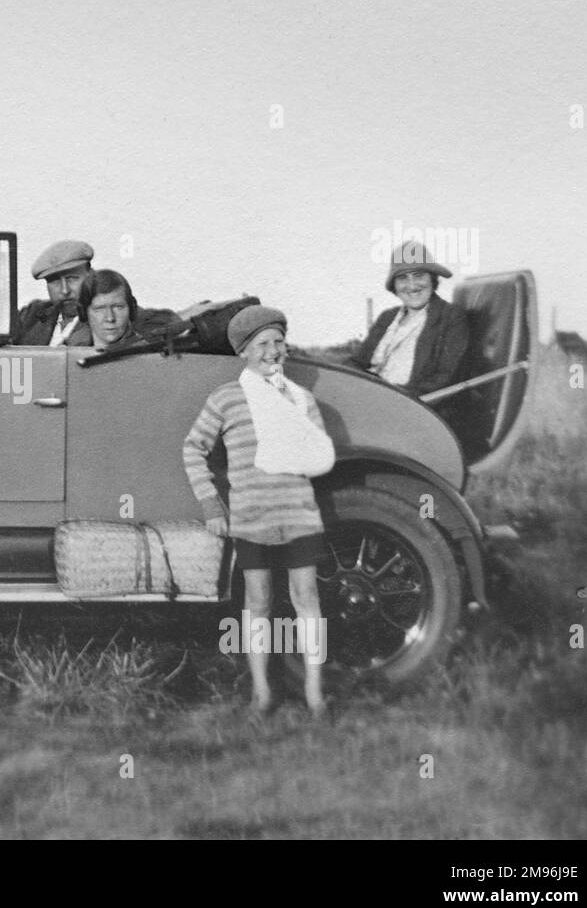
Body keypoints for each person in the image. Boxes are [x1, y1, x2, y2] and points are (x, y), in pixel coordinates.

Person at [183, 306, 334, 717]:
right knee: (258, 600)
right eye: (262, 344)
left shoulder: (300, 399)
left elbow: (320, 454)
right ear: (244, 352)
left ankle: (316, 693)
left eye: (278, 342)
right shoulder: (226, 398)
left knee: (307, 598)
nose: (272, 351)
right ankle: (263, 692)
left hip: (299, 514)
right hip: (251, 518)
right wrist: (212, 503)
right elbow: (193, 448)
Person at [350, 240, 469, 398]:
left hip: (412, 405)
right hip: (369, 396)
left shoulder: (451, 317)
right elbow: (357, 362)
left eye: (418, 275)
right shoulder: (387, 317)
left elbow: (446, 377)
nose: (411, 285)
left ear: (432, 280)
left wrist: (398, 396)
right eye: (402, 278)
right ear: (394, 286)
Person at [12, 239, 183, 345]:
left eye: (72, 278)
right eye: (55, 281)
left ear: (90, 275)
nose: (64, 290)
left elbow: (168, 324)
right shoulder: (34, 315)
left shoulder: (106, 313)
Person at [77, 269, 143, 350]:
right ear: (83, 313)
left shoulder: (148, 356)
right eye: (99, 309)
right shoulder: (72, 350)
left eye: (118, 307)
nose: (110, 318)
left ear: (131, 310)